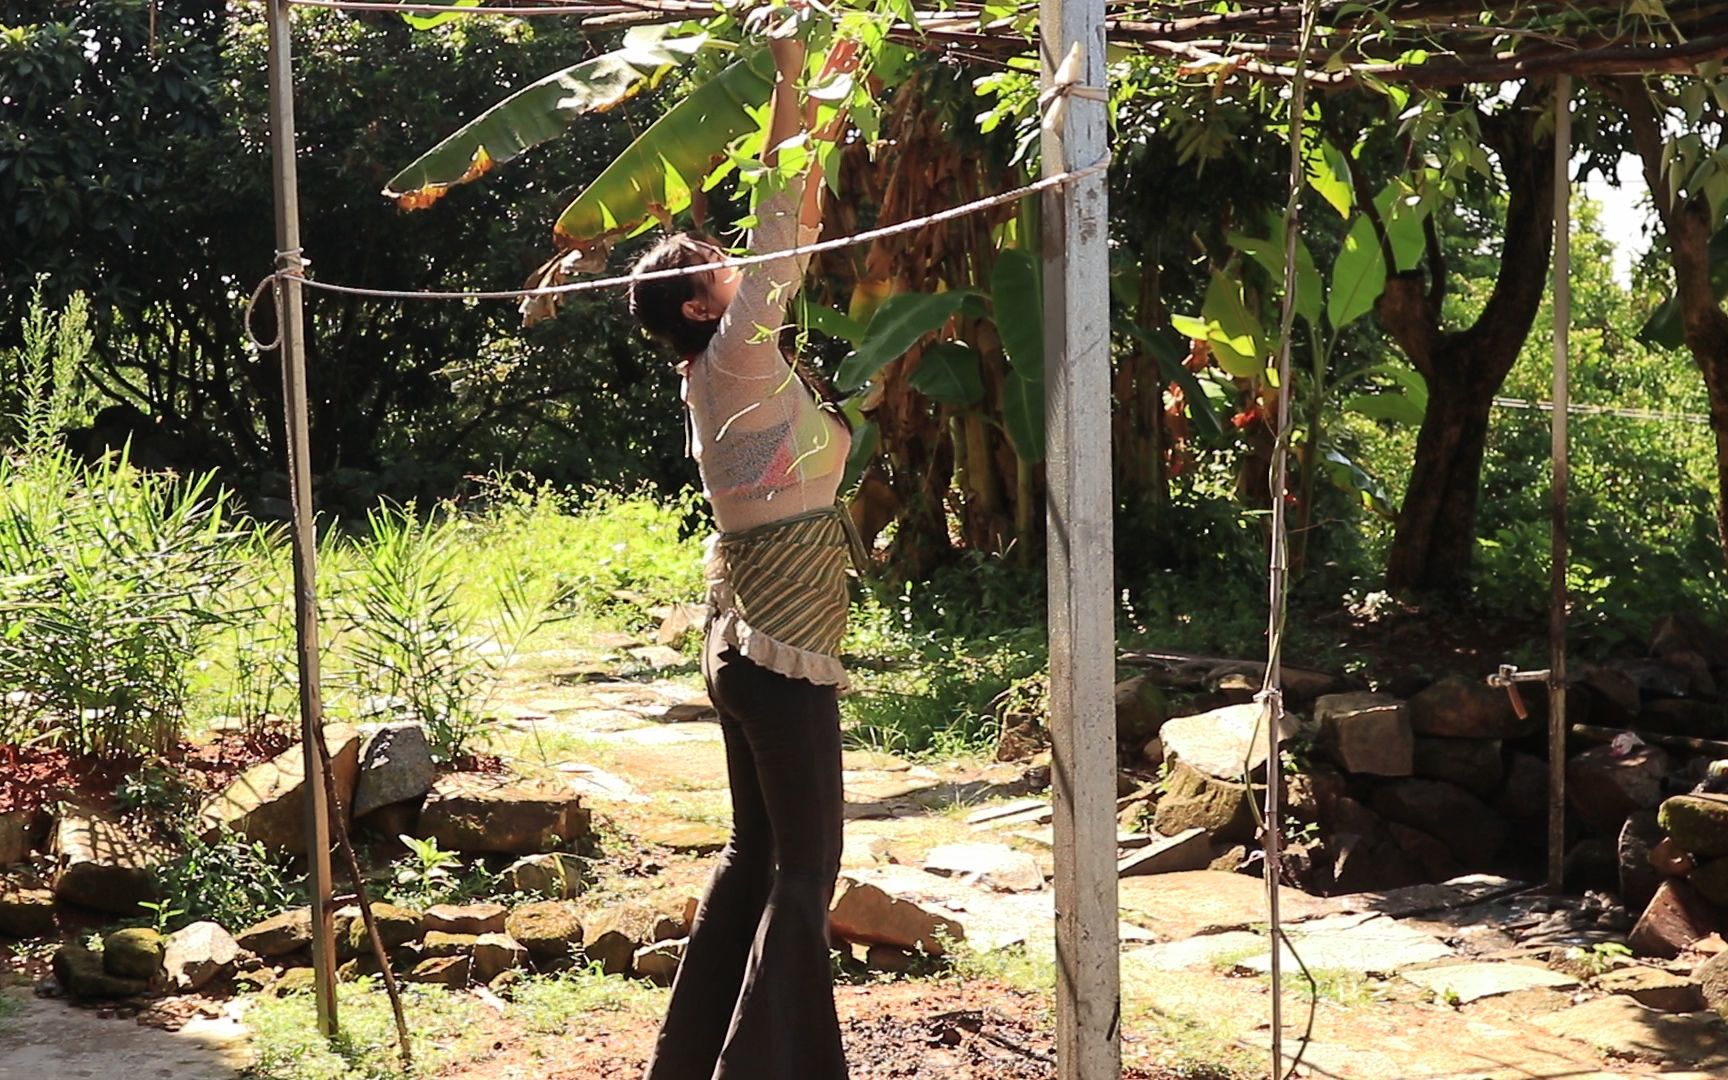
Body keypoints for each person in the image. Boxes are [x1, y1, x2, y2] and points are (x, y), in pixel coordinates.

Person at [628, 30, 859, 1080]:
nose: (730, 260)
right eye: (710, 267)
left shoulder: (722, 372)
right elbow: (778, 218)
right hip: (775, 659)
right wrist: (784, 74)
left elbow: (794, 219)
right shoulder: (736, 357)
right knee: (806, 869)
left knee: (759, 857)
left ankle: (693, 1063)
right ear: (696, 306)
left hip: (749, 652)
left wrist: (828, 88)